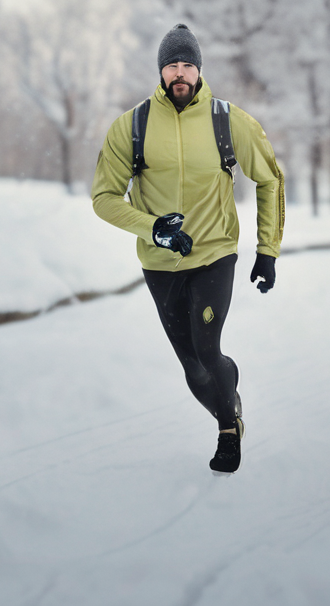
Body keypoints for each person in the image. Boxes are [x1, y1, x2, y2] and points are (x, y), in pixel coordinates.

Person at [91, 24, 285, 473]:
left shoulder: (227, 121)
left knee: (207, 346)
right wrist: (153, 229)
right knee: (193, 366)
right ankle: (228, 397)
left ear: (199, 70)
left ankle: (228, 432)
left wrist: (268, 250)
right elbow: (103, 198)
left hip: (214, 253)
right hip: (160, 262)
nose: (180, 73)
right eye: (171, 66)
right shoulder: (132, 126)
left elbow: (270, 179)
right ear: (161, 71)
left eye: (187, 65)